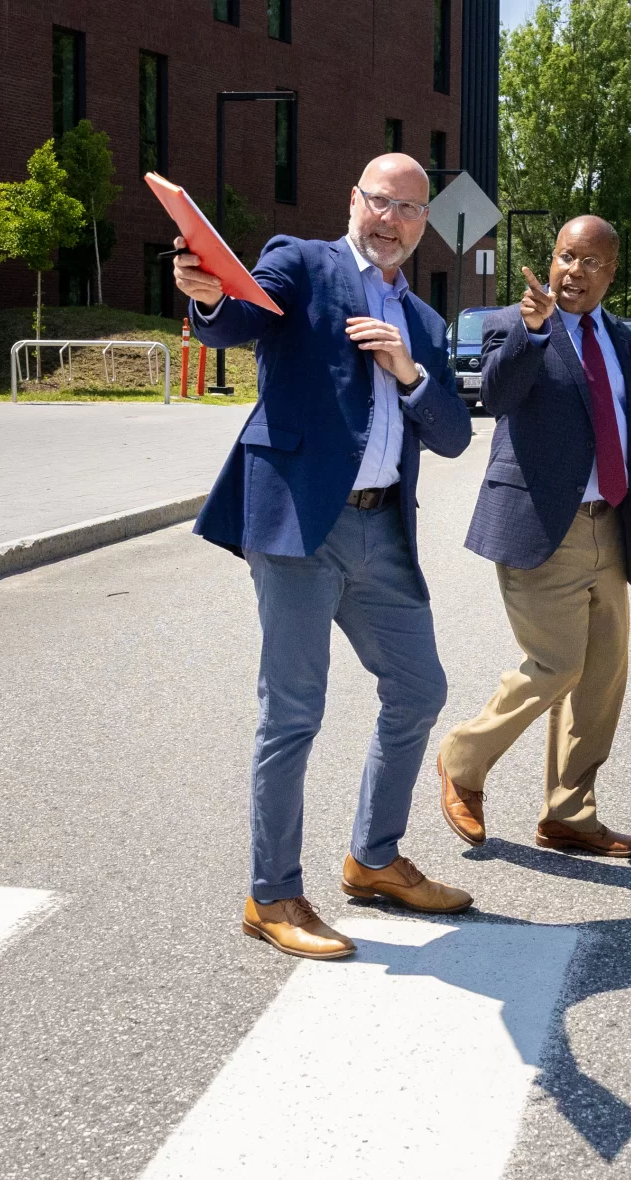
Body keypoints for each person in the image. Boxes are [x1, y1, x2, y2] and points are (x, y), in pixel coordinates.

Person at [175, 152, 476, 961]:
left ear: (423, 227)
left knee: (419, 688)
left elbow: (451, 435)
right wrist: (207, 298)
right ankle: (271, 893)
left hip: (382, 533)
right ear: (355, 199)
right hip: (301, 530)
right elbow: (243, 315)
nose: (392, 220)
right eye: (381, 201)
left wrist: (408, 373)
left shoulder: (424, 322)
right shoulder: (302, 263)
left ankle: (373, 859)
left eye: (410, 210)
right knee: (293, 713)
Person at [435, 215, 631, 858]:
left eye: (589, 262)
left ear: (611, 272)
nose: (573, 271)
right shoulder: (512, 325)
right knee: (557, 664)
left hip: (609, 525)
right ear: (550, 261)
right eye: (564, 257)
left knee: (601, 677)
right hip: (539, 527)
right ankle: (462, 759)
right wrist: (530, 331)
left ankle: (569, 814)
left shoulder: (625, 345)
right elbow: (495, 396)